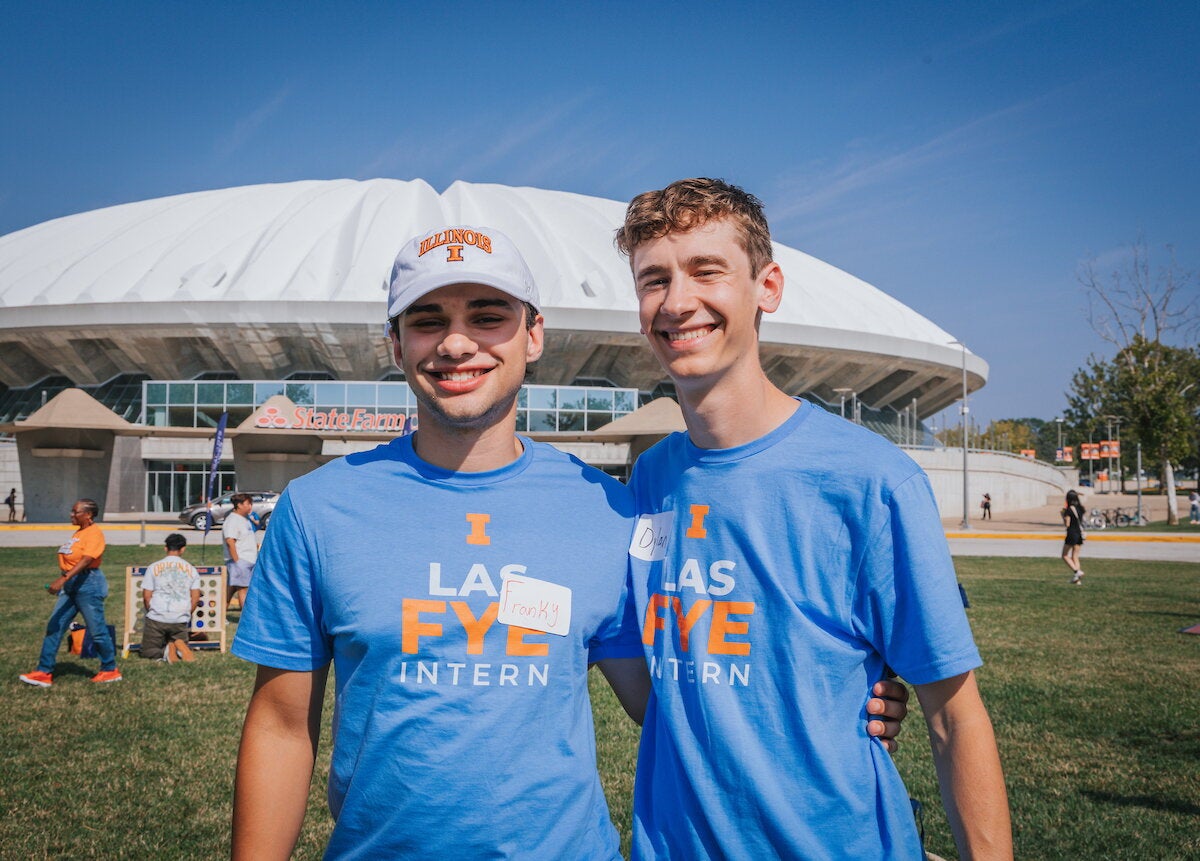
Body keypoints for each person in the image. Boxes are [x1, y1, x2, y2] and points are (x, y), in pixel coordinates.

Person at [230, 225, 907, 858]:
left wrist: (840, 694)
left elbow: (672, 698)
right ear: (395, 343)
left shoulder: (605, 509)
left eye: (488, 316)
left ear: (533, 336)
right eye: (428, 320)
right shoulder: (320, 508)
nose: (457, 344)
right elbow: (282, 725)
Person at [616, 178, 1012, 860]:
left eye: (706, 271)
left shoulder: (871, 481)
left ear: (767, 287)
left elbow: (955, 716)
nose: (677, 301)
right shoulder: (649, 480)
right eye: (655, 279)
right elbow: (664, 689)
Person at [19, 498, 122, 686]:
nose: (71, 514)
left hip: (88, 584)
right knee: (55, 625)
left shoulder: (94, 533)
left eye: (75, 512)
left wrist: (63, 579)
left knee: (97, 630)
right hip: (72, 584)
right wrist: (66, 579)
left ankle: (110, 670)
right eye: (72, 511)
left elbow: (86, 560)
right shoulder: (79, 533)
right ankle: (44, 672)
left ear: (88, 515)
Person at [140, 533, 202, 662]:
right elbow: (195, 597)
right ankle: (178, 648)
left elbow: (146, 596)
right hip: (180, 618)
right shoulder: (191, 569)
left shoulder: (153, 567)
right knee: (178, 641)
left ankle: (166, 651)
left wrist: (151, 610)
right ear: (183, 549)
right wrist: (187, 612)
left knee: (148, 652)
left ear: (165, 548)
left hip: (157, 617)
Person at [222, 492, 257, 611]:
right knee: (244, 590)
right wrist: (237, 560)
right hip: (241, 561)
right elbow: (230, 541)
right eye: (248, 504)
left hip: (248, 560)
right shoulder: (232, 520)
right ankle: (246, 618)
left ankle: (220, 615)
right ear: (239, 505)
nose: (250, 507)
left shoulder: (244, 519)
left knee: (230, 590)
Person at [1062, 489, 1086, 584]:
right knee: (1075, 556)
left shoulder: (1068, 510)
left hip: (1072, 533)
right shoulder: (1080, 509)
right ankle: (1077, 580)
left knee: (1064, 555)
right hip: (1079, 533)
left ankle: (1077, 572)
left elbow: (1067, 524)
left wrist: (1063, 516)